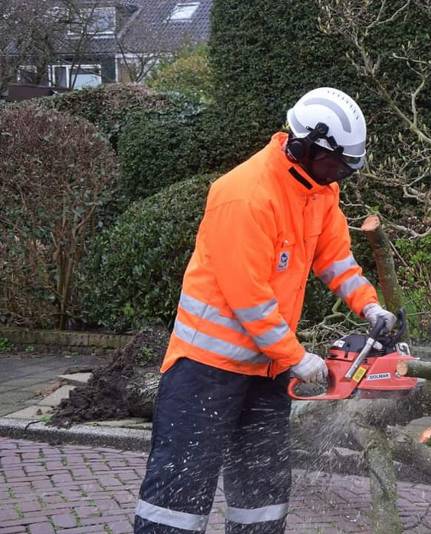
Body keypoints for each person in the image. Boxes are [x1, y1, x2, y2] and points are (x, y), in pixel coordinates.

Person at [133, 87, 396, 533]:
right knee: (179, 497)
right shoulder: (245, 195)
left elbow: (335, 259)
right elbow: (249, 300)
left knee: (263, 494)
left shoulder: (320, 191)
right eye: (336, 164)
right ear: (307, 145)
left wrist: (370, 306)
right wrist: (298, 359)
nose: (339, 176)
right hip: (205, 370)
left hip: (266, 371)